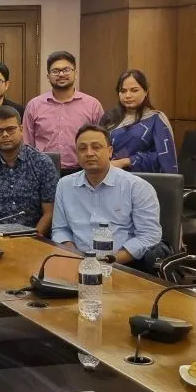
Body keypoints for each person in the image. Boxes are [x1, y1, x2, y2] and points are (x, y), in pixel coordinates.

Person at [51, 125, 163, 270]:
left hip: (125, 265)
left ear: (110, 151)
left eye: (96, 147)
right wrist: (75, 258)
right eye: (82, 149)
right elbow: (60, 230)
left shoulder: (137, 187)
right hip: (77, 263)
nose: (89, 153)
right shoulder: (65, 185)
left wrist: (110, 261)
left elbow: (149, 235)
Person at [0, 106, 59, 236]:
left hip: (35, 238)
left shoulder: (42, 163)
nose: (5, 135)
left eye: (10, 129)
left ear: (21, 130)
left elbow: (50, 213)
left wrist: (33, 239)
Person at [23, 51, 104, 177]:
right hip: (42, 172)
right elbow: (27, 144)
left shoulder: (92, 105)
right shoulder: (34, 106)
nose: (61, 74)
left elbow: (102, 142)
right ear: (48, 76)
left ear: (75, 73)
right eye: (55, 71)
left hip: (82, 172)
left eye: (66, 70)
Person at [101, 69, 178, 173]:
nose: (128, 95)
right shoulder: (109, 118)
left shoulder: (155, 119)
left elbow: (164, 157)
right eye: (123, 91)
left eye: (134, 90)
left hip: (142, 178)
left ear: (146, 91)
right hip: (107, 175)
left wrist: (126, 162)